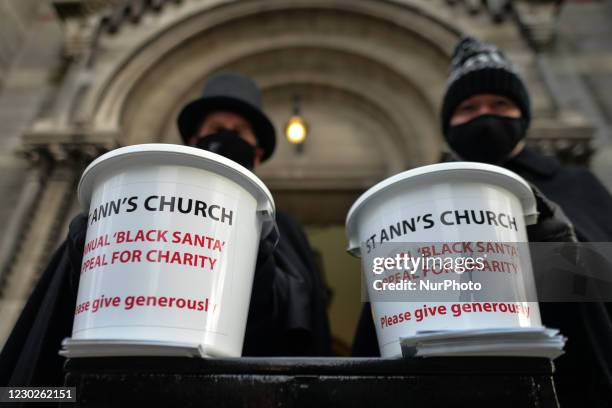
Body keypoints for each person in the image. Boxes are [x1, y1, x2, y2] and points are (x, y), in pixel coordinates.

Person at [0, 72, 332, 388]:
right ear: (193, 140)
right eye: (217, 127)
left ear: (257, 153)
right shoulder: (146, 203)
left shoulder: (283, 230)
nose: (228, 135)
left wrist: (254, 259)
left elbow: (292, 317)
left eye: (241, 131)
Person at [353, 36, 612, 407]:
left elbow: (604, 290)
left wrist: (555, 247)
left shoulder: (576, 185)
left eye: (500, 104)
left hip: (571, 383)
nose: (484, 115)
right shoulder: (418, 200)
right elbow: (390, 306)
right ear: (449, 122)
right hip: (446, 386)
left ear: (522, 113)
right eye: (469, 107)